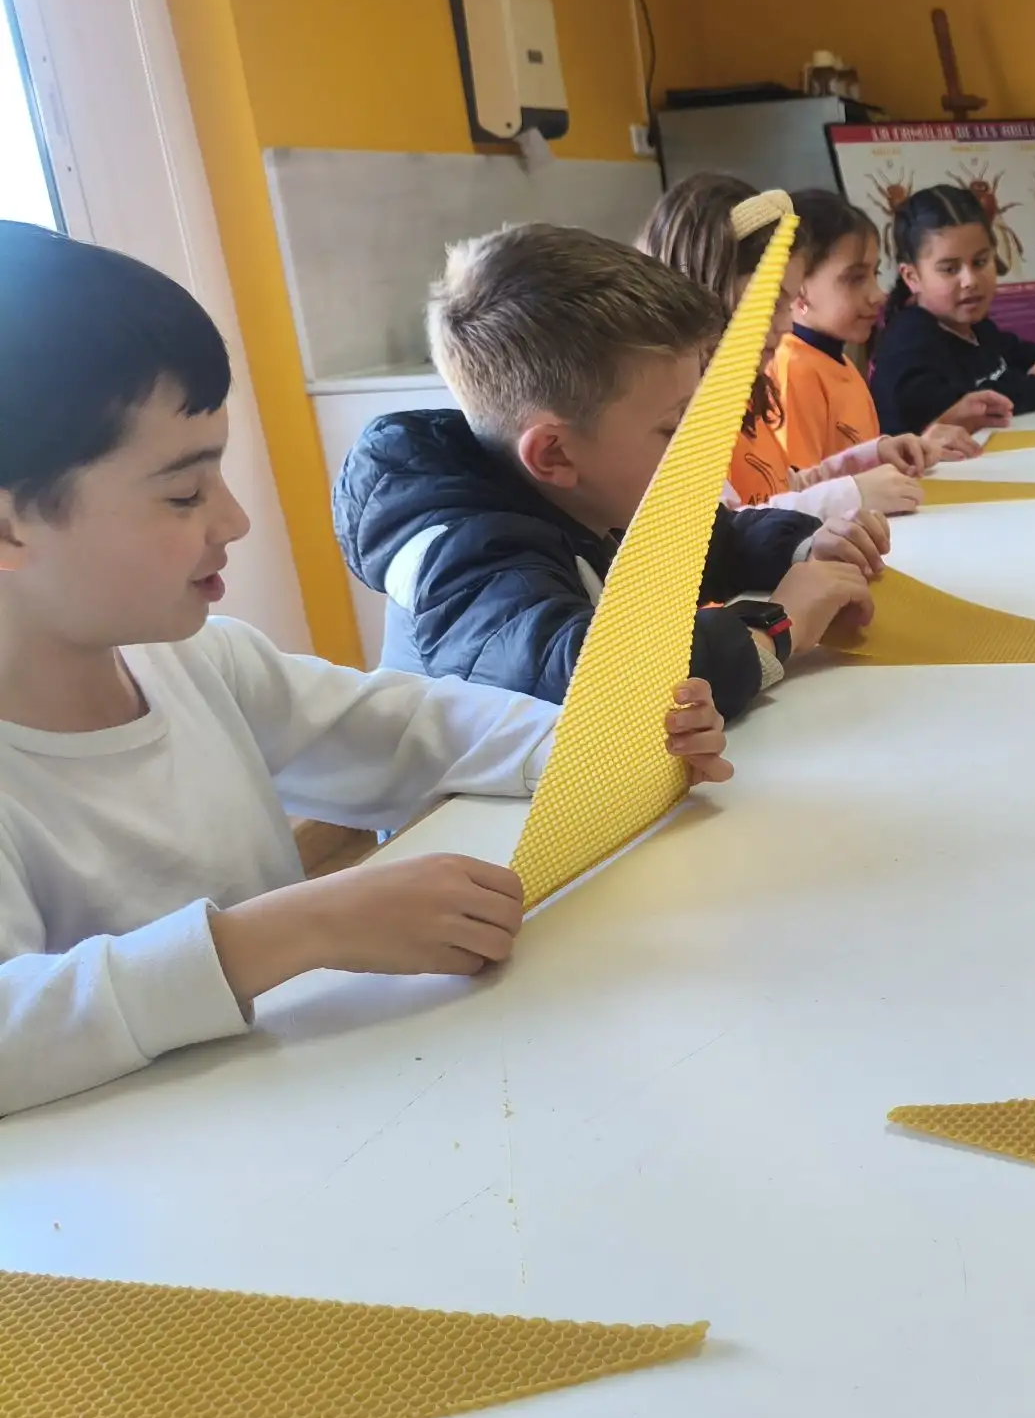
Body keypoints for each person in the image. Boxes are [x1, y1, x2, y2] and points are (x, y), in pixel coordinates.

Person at [0, 223, 729, 1116]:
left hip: (302, 1118)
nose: (234, 521)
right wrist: (297, 927)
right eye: (184, 493)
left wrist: (607, 738)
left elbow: (415, 725)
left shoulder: (202, 662)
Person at [335, 224, 884, 720]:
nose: (702, 446)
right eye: (674, 427)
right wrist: (776, 626)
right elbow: (596, 685)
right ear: (554, 455)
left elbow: (709, 543)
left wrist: (803, 545)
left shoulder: (593, 494)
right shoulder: (466, 564)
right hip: (470, 805)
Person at [637, 172, 928, 517]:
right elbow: (726, 527)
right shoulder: (676, 417)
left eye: (786, 305)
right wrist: (851, 495)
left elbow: (778, 488)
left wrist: (864, 460)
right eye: (771, 302)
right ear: (708, 291)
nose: (787, 325)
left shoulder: (741, 393)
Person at [773, 188, 981, 469]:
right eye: (855, 278)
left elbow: (860, 466)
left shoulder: (839, 361)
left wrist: (919, 445)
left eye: (875, 273)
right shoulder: (794, 370)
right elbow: (802, 489)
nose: (878, 295)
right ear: (797, 286)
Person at [867, 184, 1035, 437]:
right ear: (912, 277)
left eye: (980, 262)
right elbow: (959, 408)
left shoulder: (975, 327)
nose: (970, 280)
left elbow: (1013, 352)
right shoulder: (907, 343)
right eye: (950, 269)